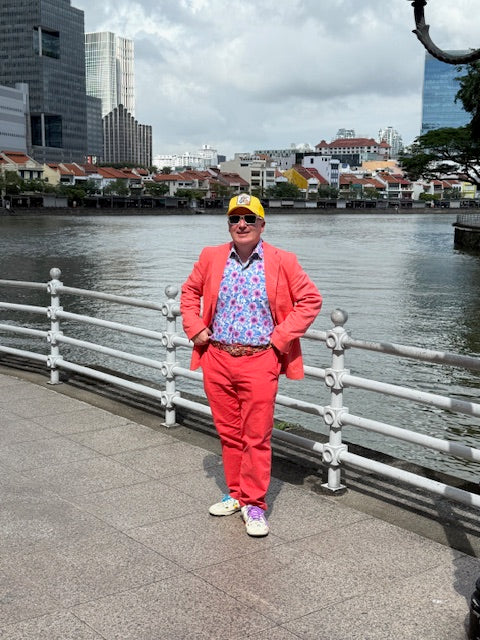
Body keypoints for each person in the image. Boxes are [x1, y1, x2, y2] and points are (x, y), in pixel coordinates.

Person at [180, 193, 322, 537]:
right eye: (235, 218)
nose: (241, 224)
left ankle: (254, 503)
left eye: (249, 218)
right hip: (217, 357)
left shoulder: (283, 261)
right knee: (229, 433)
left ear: (262, 224)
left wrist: (279, 340)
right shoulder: (211, 257)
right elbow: (189, 293)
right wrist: (195, 327)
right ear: (228, 224)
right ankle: (235, 493)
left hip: (260, 358)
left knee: (256, 436)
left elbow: (311, 300)